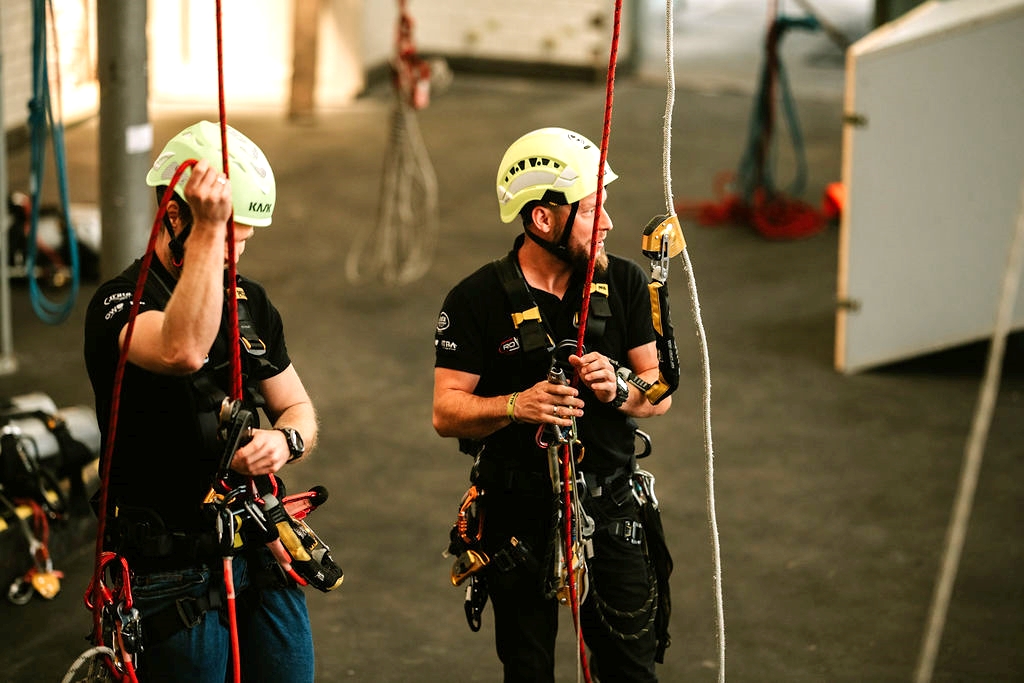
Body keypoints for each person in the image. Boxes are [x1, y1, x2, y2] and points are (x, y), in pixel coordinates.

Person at [433, 127, 673, 683]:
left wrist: (620, 389)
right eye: (592, 210)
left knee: (629, 670)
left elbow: (657, 393)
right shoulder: (476, 300)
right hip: (518, 511)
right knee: (528, 668)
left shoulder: (625, 284)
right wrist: (518, 405)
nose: (609, 223)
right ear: (544, 219)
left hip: (610, 506)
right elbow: (446, 411)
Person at [84, 121, 320, 683]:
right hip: (168, 563)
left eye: (243, 241)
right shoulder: (119, 302)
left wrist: (282, 442)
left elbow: (300, 411)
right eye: (226, 236)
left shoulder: (250, 301)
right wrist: (210, 230)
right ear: (174, 216)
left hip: (256, 542)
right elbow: (182, 349)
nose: (234, 254)